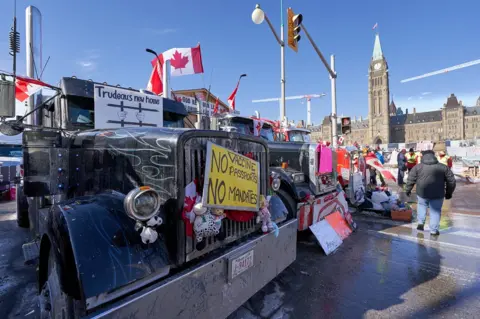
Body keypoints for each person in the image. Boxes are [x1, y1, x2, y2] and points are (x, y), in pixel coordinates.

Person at [405, 150, 456, 236]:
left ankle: (421, 222)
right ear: (434, 156)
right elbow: (451, 181)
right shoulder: (443, 167)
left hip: (422, 193)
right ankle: (433, 231)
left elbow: (411, 179)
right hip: (438, 193)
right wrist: (449, 192)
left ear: (423, 156)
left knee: (422, 205)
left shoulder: (417, 167)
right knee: (435, 211)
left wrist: (408, 190)